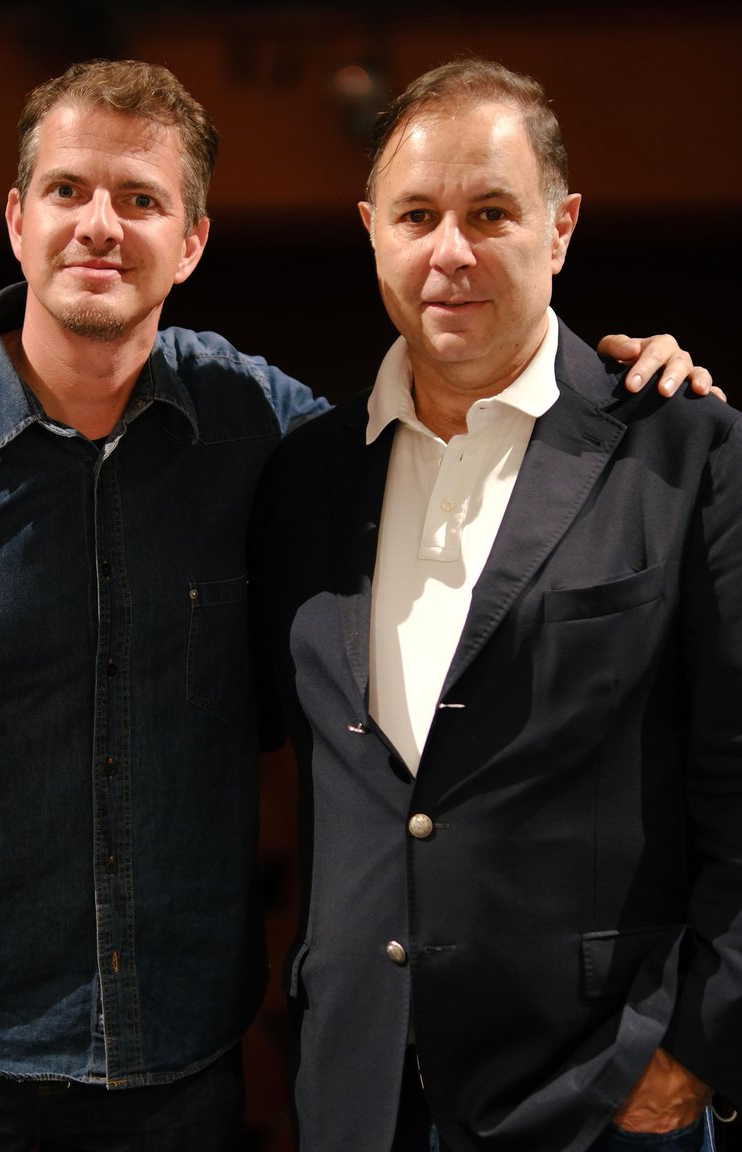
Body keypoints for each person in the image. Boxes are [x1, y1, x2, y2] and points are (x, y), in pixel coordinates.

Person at [0, 57, 719, 1152]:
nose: (100, 225)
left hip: (172, 1073)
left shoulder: (263, 429)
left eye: (141, 200)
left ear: (190, 243)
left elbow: (449, 422)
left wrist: (617, 389)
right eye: (68, 191)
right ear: (15, 219)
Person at [250, 57, 741, 1152]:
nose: (449, 253)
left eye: (490, 213)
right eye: (417, 215)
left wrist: (695, 1051)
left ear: (559, 228)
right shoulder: (306, 477)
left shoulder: (686, 449)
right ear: (371, 229)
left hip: (600, 1097)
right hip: (360, 1096)